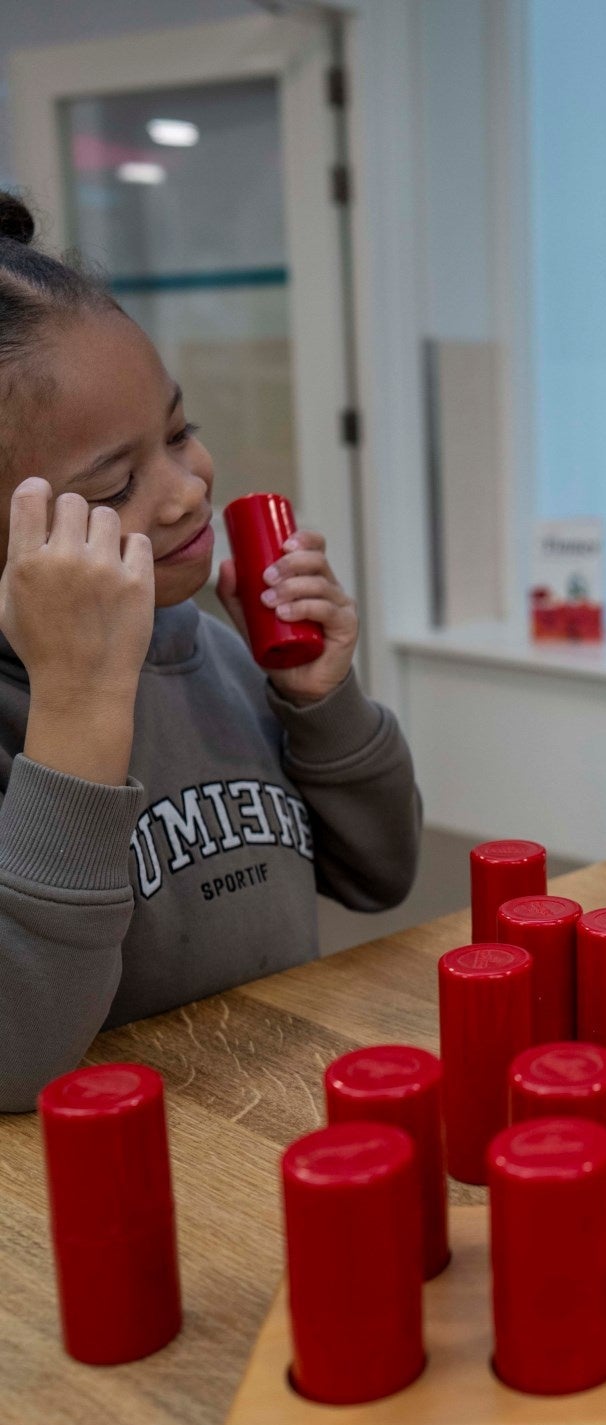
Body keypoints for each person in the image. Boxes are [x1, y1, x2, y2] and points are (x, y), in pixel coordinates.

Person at [0, 193, 420, 1111]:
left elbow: (383, 874)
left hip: (267, 1129)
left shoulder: (217, 656)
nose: (188, 490)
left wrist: (322, 705)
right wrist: (76, 709)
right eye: (114, 486)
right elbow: (15, 1056)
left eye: (180, 432)